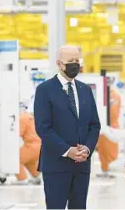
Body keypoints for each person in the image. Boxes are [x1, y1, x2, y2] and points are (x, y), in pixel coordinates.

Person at [34, 45, 101, 209]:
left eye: (77, 61)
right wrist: (67, 150)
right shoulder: (45, 90)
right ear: (59, 63)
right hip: (56, 164)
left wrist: (87, 149)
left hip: (81, 165)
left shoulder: (85, 90)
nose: (75, 65)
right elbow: (43, 128)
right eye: (70, 61)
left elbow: (94, 125)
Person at [96, 88, 122, 178]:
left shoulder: (112, 95)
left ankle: (107, 168)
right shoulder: (108, 93)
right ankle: (105, 168)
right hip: (107, 126)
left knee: (108, 149)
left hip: (109, 127)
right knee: (104, 149)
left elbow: (112, 113)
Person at [14, 111, 42, 185]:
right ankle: (37, 177)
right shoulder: (35, 117)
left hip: (31, 146)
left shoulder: (23, 118)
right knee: (29, 161)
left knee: (15, 159)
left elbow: (17, 133)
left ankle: (22, 179)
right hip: (40, 147)